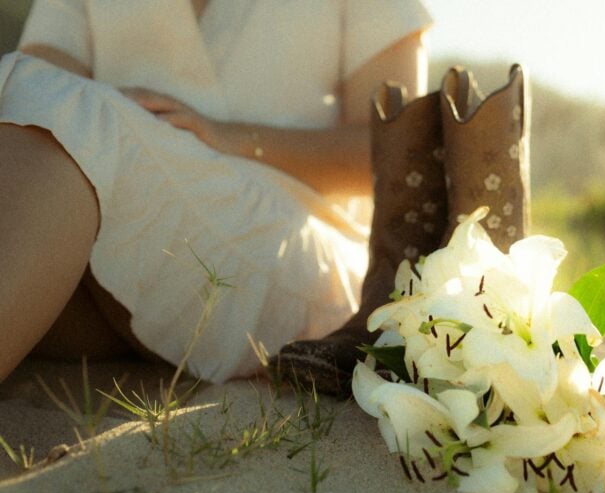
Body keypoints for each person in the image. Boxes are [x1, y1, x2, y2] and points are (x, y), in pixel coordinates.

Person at [0, 0, 434, 383]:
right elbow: (35, 90)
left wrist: (231, 137)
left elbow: (397, 157)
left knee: (65, 107)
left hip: (292, 250)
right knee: (23, 87)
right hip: (116, 235)